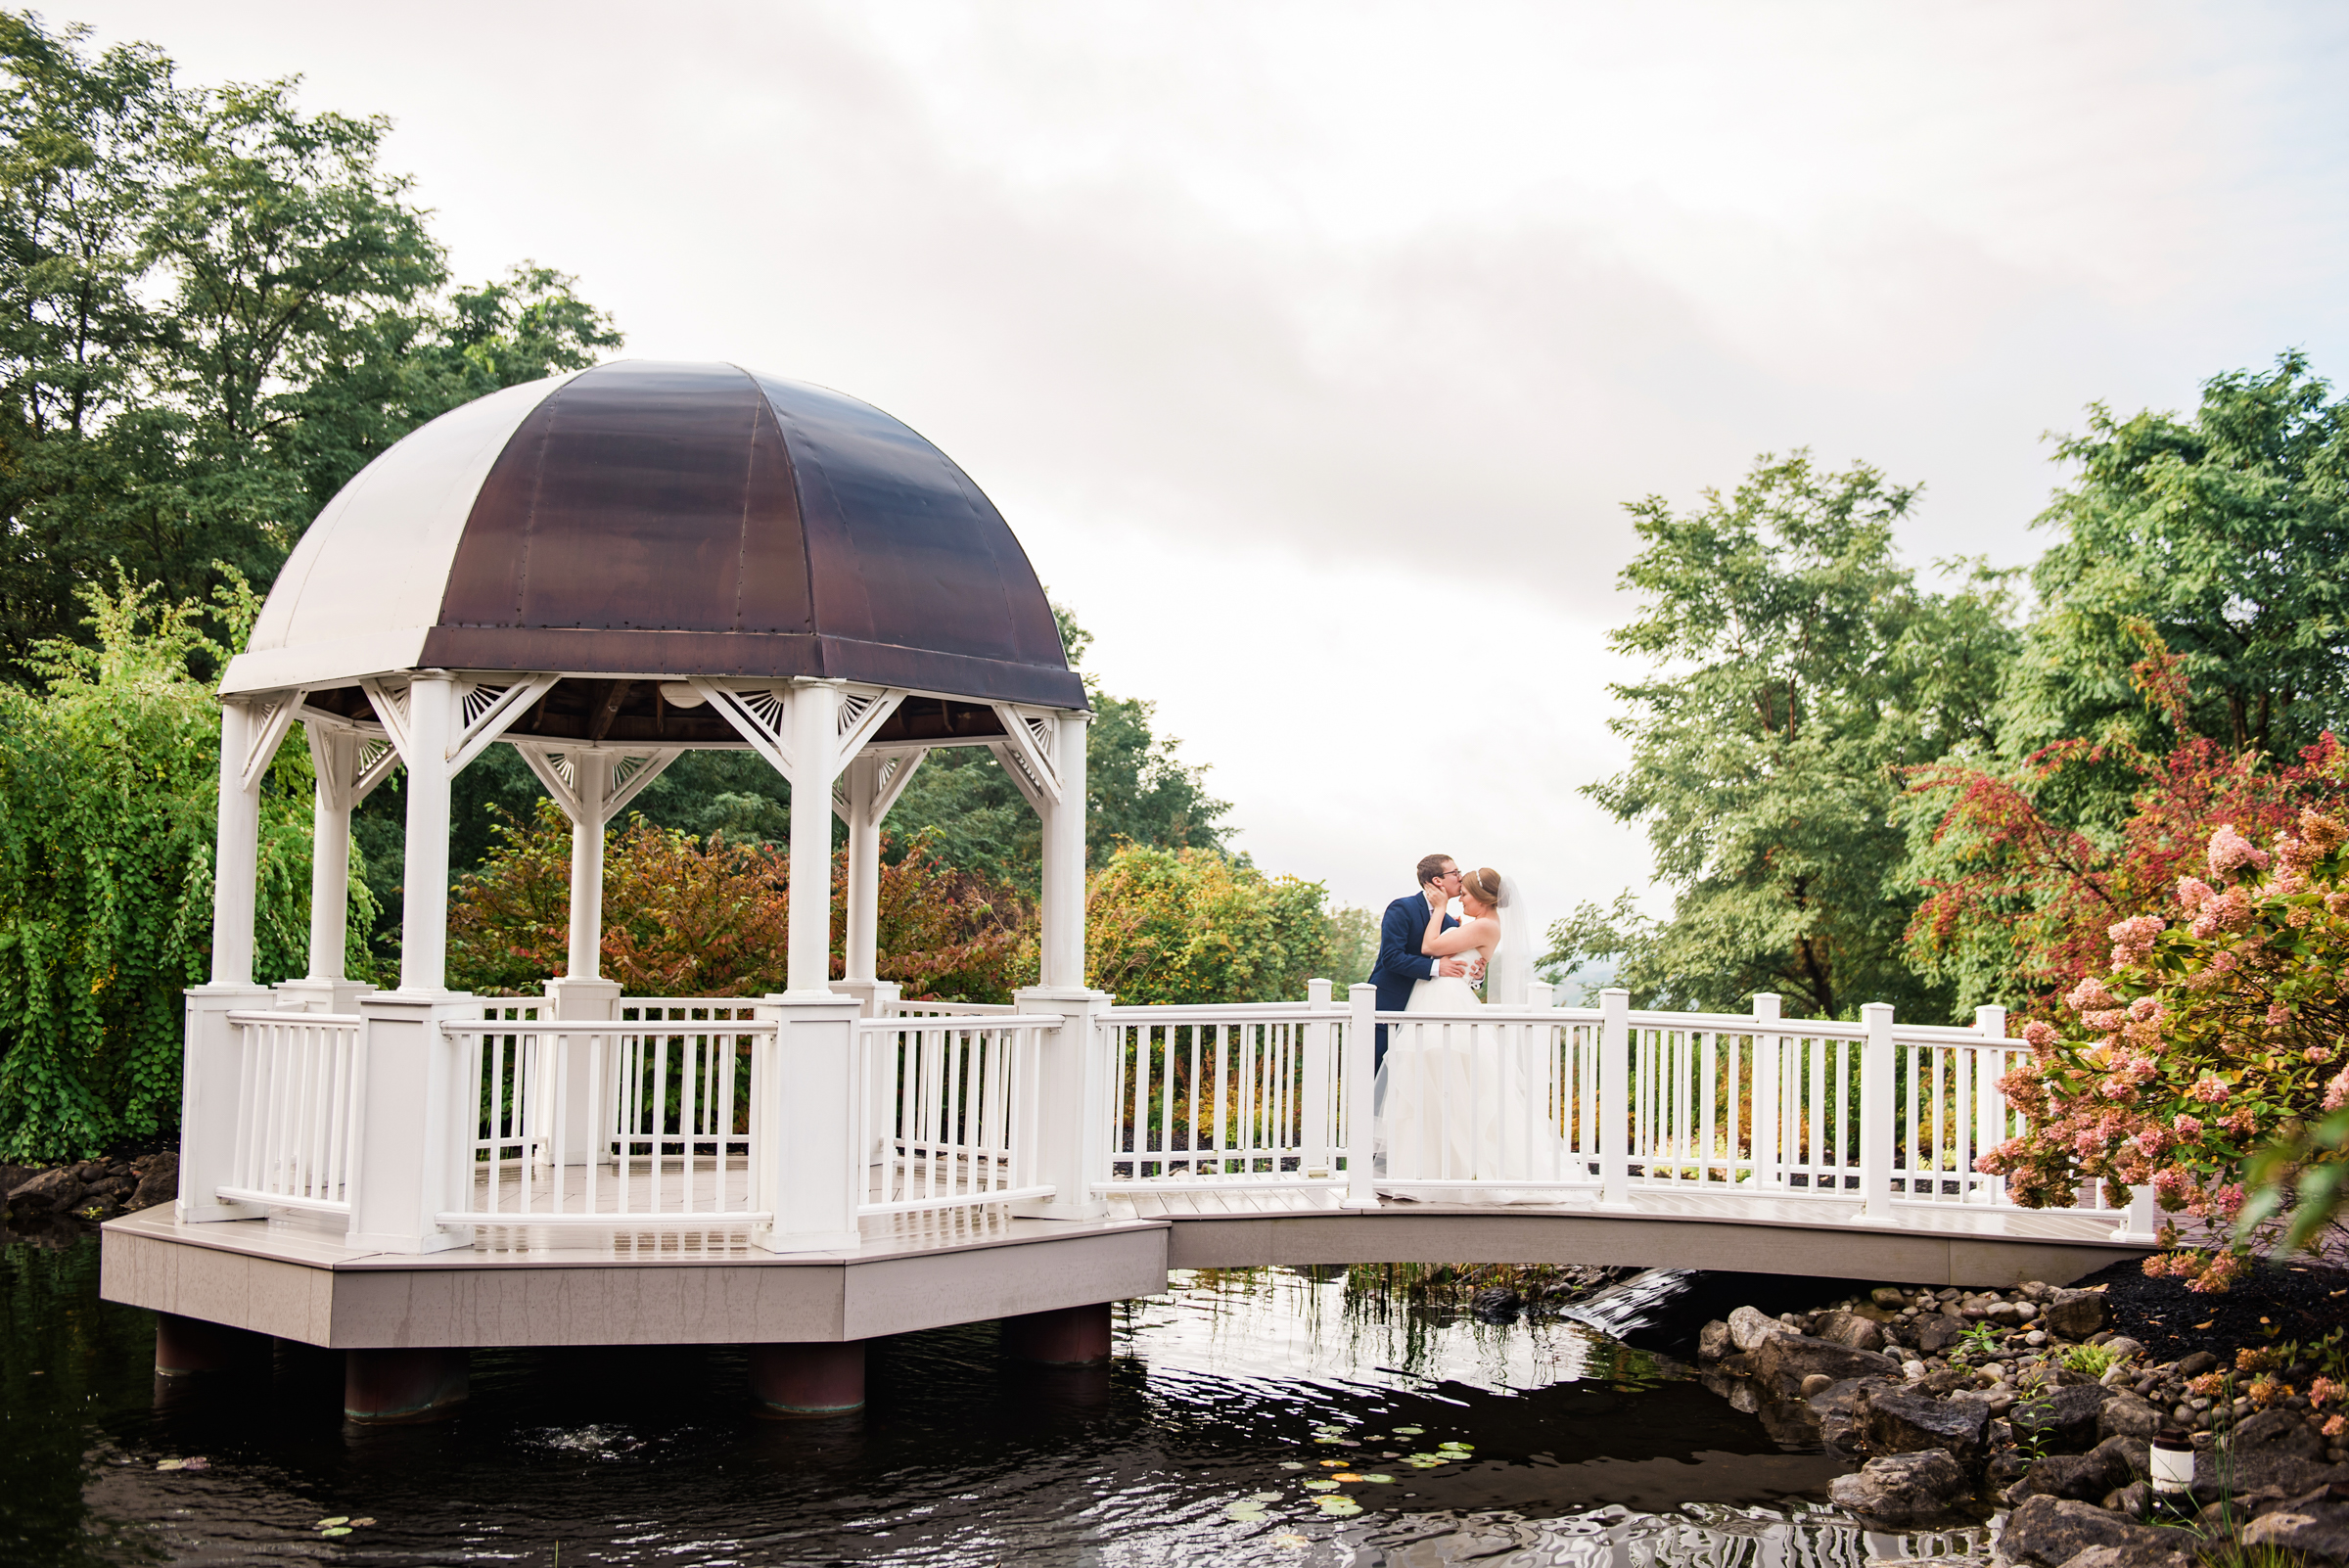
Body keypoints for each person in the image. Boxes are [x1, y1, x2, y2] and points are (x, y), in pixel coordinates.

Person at [1376, 864, 1566, 1199]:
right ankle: (1421, 1169)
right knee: (1429, 1087)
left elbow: (1431, 947)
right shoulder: (1460, 921)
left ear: (1480, 897)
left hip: (1444, 1004)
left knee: (1447, 1085)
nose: (1460, 897)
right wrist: (1475, 972)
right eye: (1458, 887)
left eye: (1465, 894)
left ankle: (1448, 1172)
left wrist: (1438, 912)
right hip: (1431, 1001)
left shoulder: (1478, 925)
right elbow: (1460, 960)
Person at [1368, 854, 1475, 1068]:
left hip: (1426, 1017)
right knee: (1373, 1081)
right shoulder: (1402, 908)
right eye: (1455, 873)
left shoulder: (1449, 923)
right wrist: (1437, 967)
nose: (1461, 878)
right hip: (1389, 1011)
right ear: (1437, 880)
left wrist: (1477, 975)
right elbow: (1391, 957)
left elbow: (1457, 965)